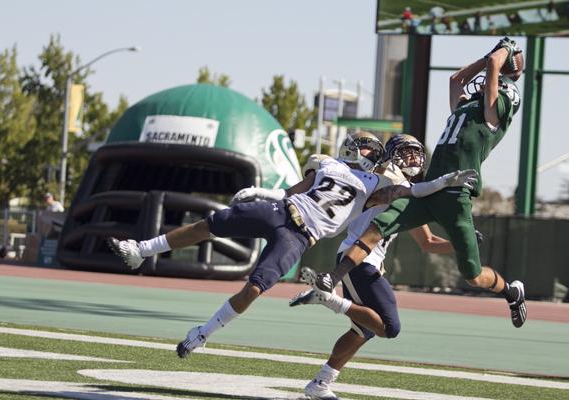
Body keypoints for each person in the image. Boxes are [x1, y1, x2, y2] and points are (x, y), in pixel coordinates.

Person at [107, 132, 477, 358]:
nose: (366, 153)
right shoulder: (328, 164)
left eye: (370, 150)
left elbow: (412, 190)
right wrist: (260, 192)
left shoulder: (374, 188)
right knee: (211, 224)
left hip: (299, 236)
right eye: (364, 148)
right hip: (279, 210)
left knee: (256, 286)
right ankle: (140, 250)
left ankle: (203, 333)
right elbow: (291, 192)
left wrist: (444, 182)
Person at [306, 37, 527, 330]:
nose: (483, 84)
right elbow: (456, 78)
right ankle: (331, 278)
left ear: (502, 98)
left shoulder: (491, 117)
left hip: (456, 195)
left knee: (473, 275)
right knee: (380, 224)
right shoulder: (465, 110)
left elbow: (493, 66)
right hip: (431, 190)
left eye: (492, 84)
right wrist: (489, 54)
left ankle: (511, 292)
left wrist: (505, 51)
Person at [290, 134, 466, 400]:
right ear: (390, 156)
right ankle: (328, 299)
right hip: (358, 259)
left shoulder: (406, 190)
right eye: (406, 152)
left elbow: (428, 242)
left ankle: (320, 384)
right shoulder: (384, 178)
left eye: (417, 152)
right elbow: (374, 176)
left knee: (363, 330)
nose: (413, 158)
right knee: (389, 326)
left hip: (367, 261)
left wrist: (461, 243)